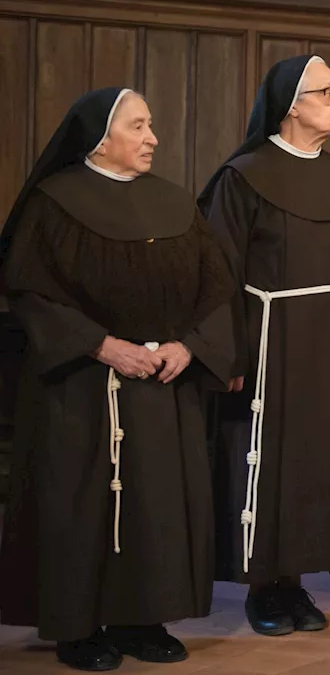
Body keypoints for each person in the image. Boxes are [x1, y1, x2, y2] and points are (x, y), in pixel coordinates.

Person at [0, 88, 235, 670]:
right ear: (101, 138)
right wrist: (101, 346)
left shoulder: (176, 203)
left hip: (160, 383)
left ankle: (142, 618)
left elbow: (217, 291)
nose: (153, 138)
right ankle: (76, 626)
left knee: (156, 504)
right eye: (139, 127)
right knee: (78, 505)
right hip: (80, 386)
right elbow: (29, 291)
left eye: (151, 126)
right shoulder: (55, 203)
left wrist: (192, 346)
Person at [200, 55, 330, 636]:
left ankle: (296, 585)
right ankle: (262, 586)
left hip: (328, 341)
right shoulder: (245, 175)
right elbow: (217, 272)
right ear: (291, 105)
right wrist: (224, 352)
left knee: (314, 464)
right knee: (266, 458)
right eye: (327, 92)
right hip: (265, 338)